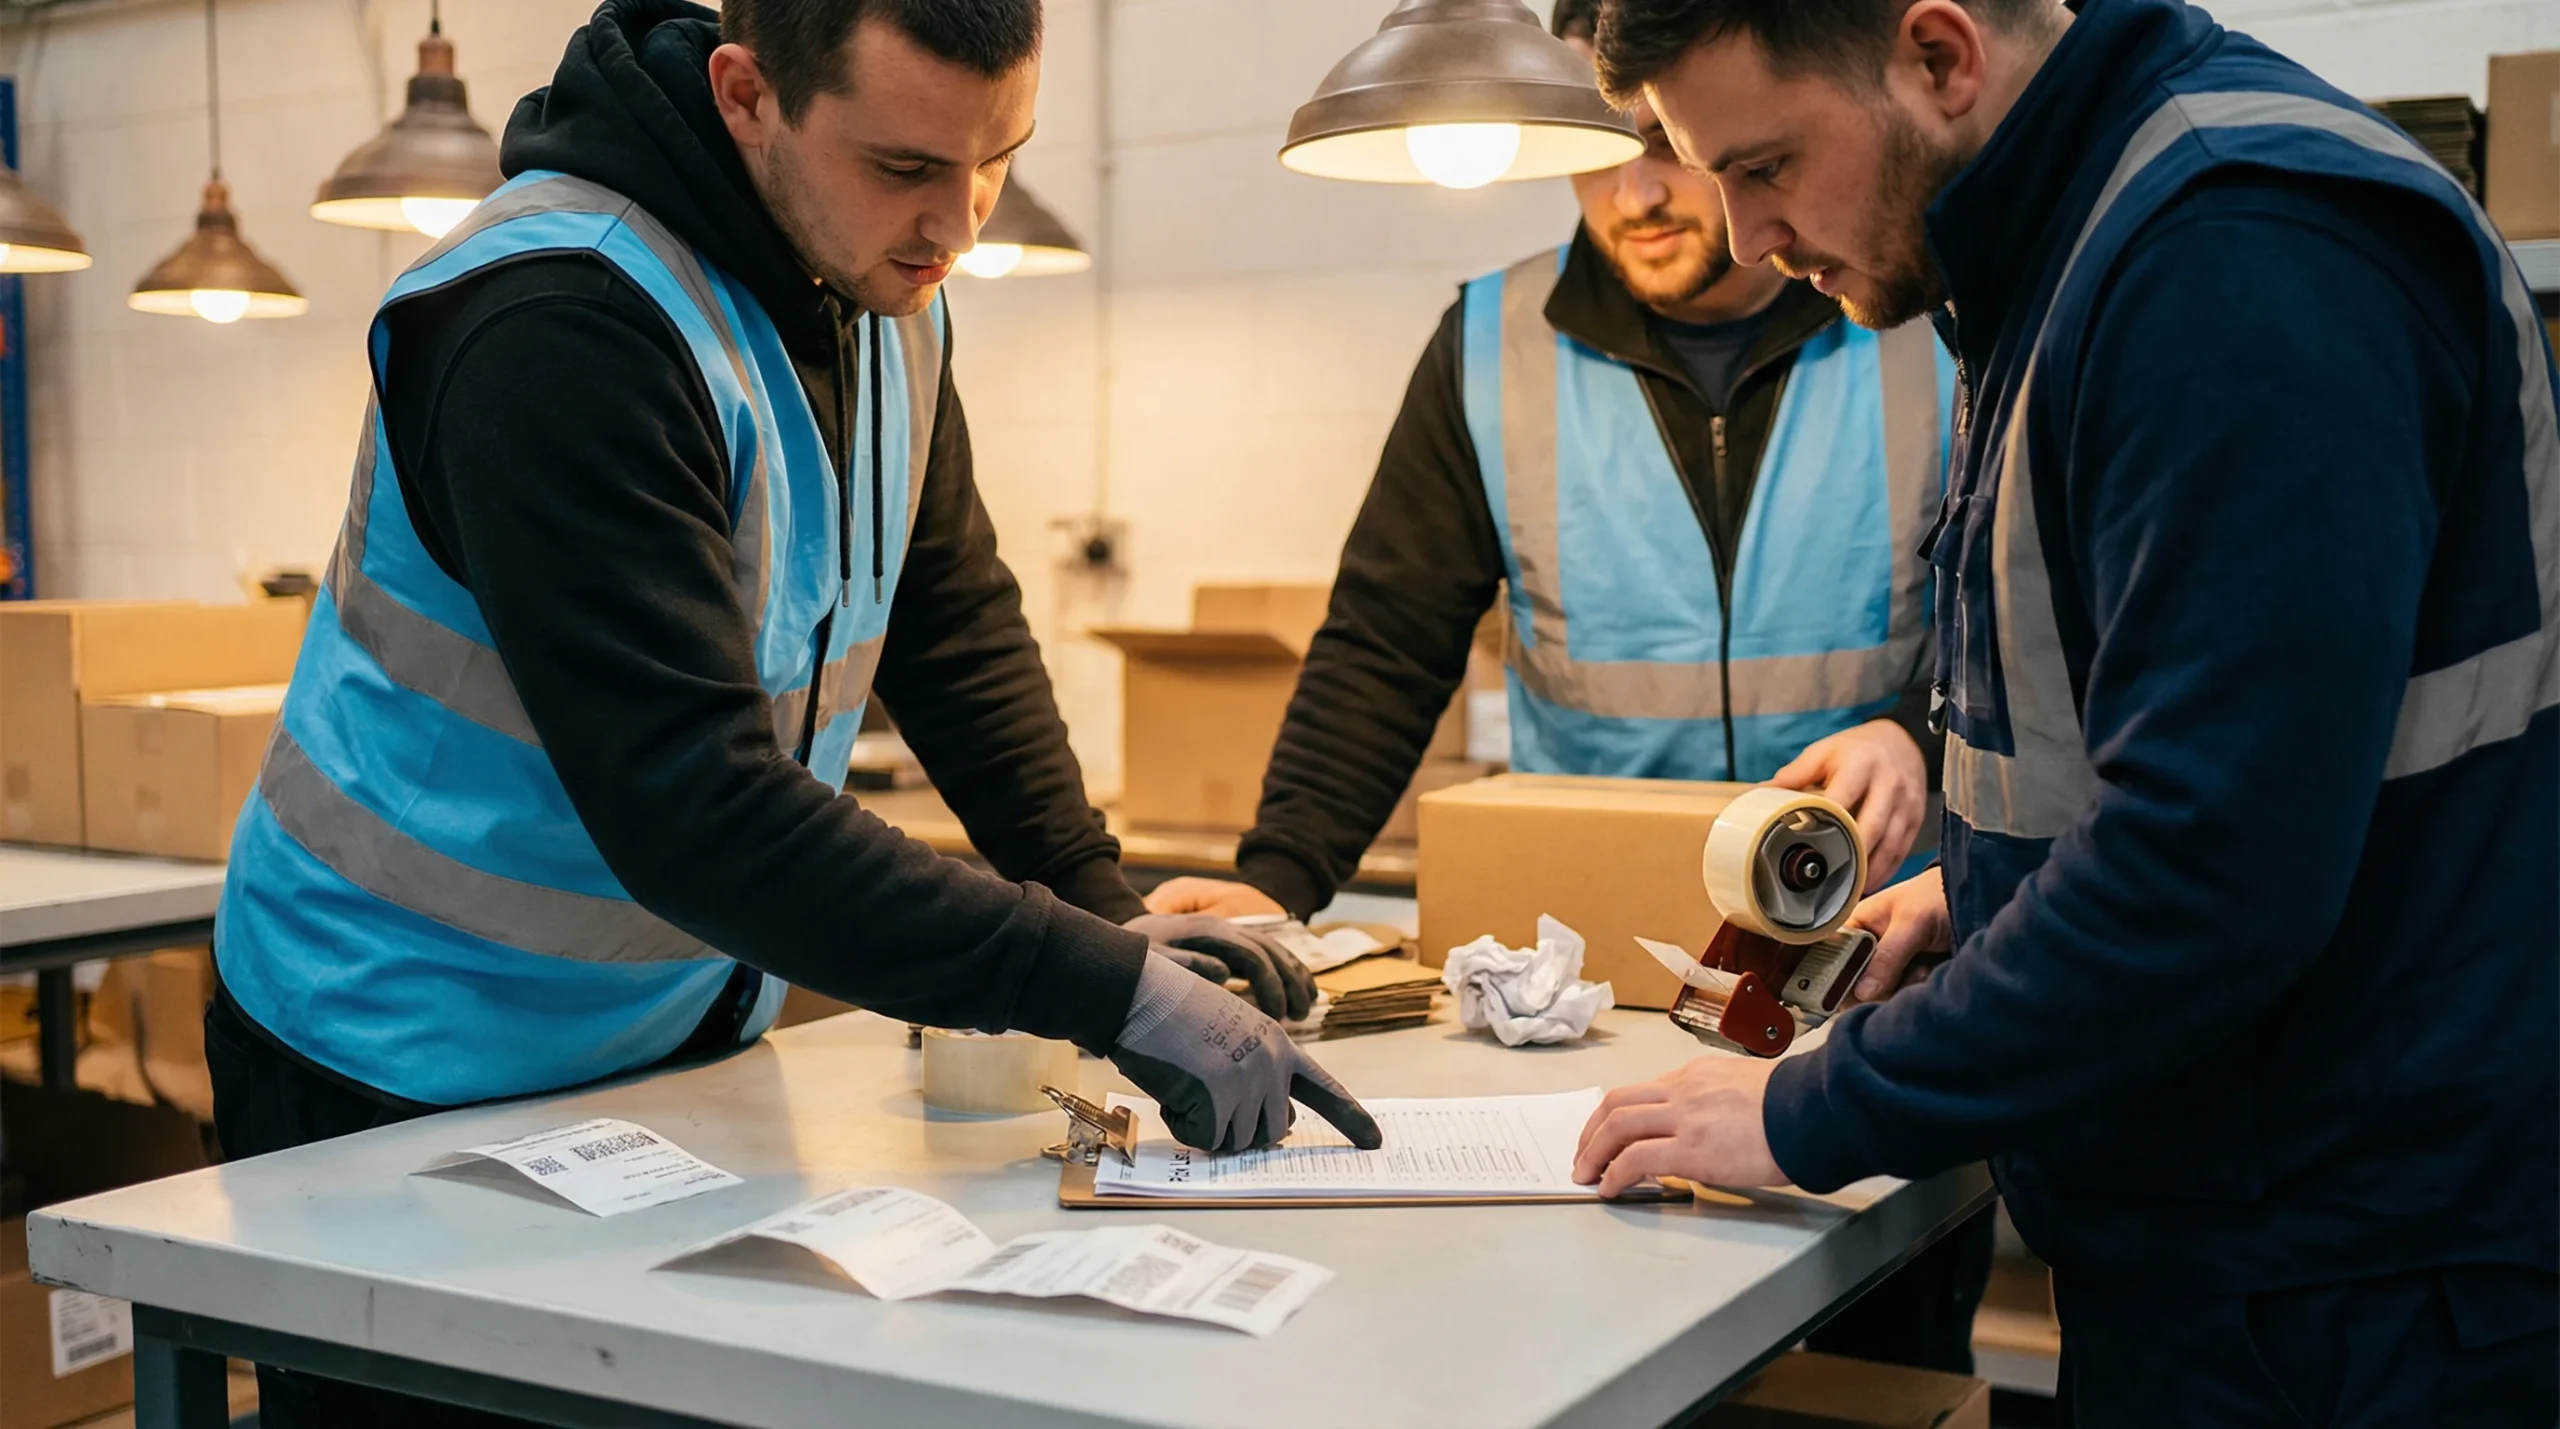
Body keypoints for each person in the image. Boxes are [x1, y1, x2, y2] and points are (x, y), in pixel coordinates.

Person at [209, 3, 1379, 1418]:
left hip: (660, 1039)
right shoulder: (556, 320)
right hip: (396, 1045)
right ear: (749, 93)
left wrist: (1099, 900)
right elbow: (695, 809)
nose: (956, 223)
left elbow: (949, 624)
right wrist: (1100, 988)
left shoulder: (881, 286)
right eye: (904, 169)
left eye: (997, 159)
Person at [1572, 0, 2559, 1421]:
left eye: (1766, 164)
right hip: (2233, 1238)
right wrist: (1978, 906)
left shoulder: (2232, 256)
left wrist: (1807, 1113)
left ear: (1938, 55)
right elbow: (2169, 738)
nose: (1745, 238)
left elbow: (2209, 870)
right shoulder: (2069, 246)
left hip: (2350, 1285)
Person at [1145, 0, 1987, 1375]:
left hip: (1876, 966)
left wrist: (1921, 743)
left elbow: (2022, 637)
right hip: (1589, 988)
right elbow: (1385, 639)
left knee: (1872, 1353)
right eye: (1599, 148)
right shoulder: (1489, 341)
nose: (1642, 192)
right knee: (1592, 1345)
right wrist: (1278, 877)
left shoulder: (1913, 318)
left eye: (1672, 148)